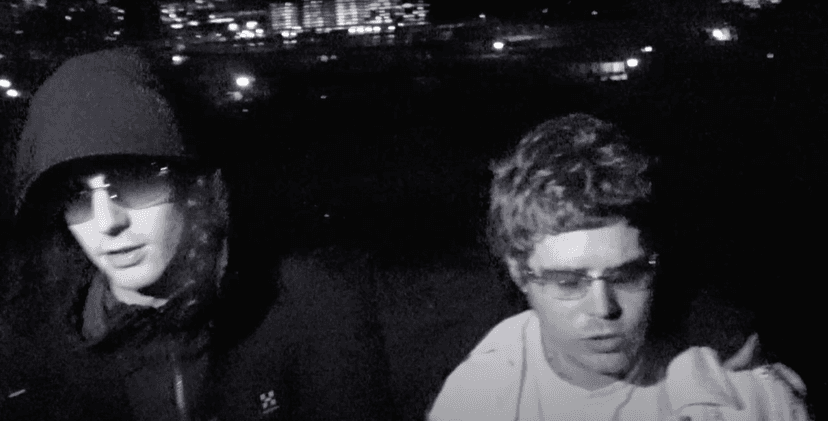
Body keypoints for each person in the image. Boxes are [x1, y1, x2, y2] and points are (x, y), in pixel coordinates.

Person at [0, 47, 389, 420]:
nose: (107, 222)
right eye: (77, 196)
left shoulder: (309, 305)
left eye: (135, 181)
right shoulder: (35, 345)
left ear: (194, 184)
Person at [428, 114, 810, 420]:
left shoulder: (752, 398)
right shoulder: (475, 401)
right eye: (568, 282)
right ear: (517, 273)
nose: (603, 308)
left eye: (628, 274)